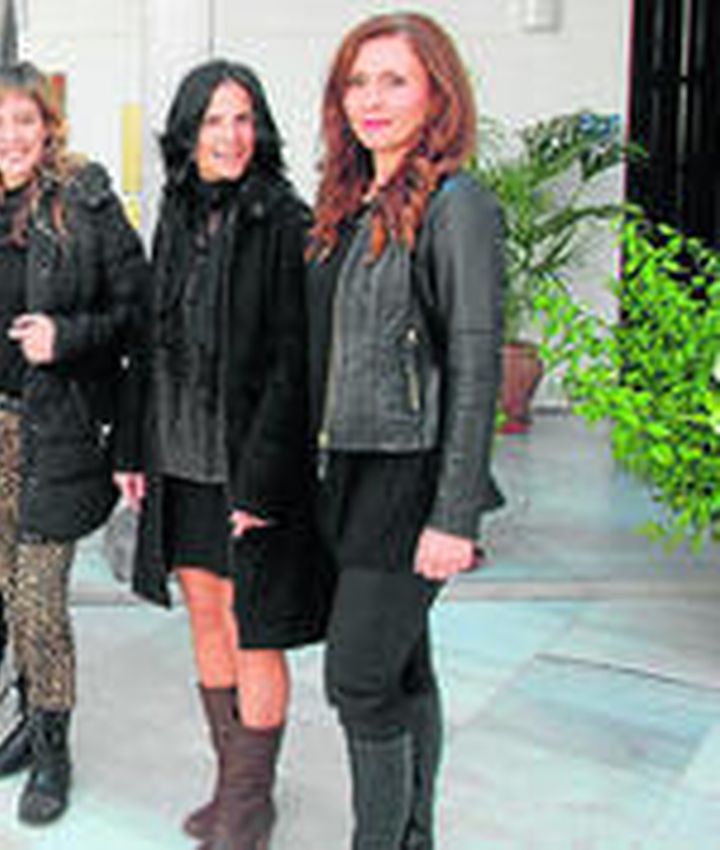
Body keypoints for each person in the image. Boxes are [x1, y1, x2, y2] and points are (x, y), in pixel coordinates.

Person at [0, 62, 147, 825]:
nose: (11, 136)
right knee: (12, 594)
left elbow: (141, 314)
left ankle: (54, 753)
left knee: (42, 605)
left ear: (49, 126)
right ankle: (27, 725)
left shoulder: (87, 205)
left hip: (56, 433)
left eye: (25, 120)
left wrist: (67, 336)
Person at [114, 60, 328, 849]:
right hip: (182, 456)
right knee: (207, 614)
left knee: (257, 628)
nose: (229, 136)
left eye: (242, 120)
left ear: (260, 130)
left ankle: (247, 806)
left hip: (250, 469)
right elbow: (147, 341)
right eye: (213, 121)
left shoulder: (287, 222)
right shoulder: (174, 213)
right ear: (188, 132)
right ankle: (235, 786)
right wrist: (134, 447)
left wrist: (264, 482)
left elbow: (291, 365)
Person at [308, 13, 504, 849]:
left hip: (409, 476)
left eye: (395, 80)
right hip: (346, 472)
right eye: (358, 81)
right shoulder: (351, 205)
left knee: (355, 680)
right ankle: (412, 835)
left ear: (437, 93)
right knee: (399, 667)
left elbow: (474, 362)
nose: (372, 99)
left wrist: (453, 513)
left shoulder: (458, 205)